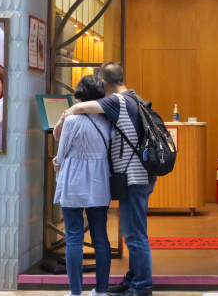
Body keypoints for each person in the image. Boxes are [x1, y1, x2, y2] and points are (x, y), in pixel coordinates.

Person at [54, 62, 154, 296]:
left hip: (131, 177)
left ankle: (141, 287)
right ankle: (124, 283)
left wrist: (62, 119)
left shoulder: (117, 101)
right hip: (118, 180)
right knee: (116, 236)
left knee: (134, 236)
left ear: (104, 82)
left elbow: (78, 109)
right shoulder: (133, 99)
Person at [53, 75, 112, 296]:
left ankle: (76, 292)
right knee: (101, 238)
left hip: (73, 181)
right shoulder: (107, 120)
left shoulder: (71, 121)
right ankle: (102, 291)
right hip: (99, 181)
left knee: (74, 238)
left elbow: (61, 155)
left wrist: (57, 164)